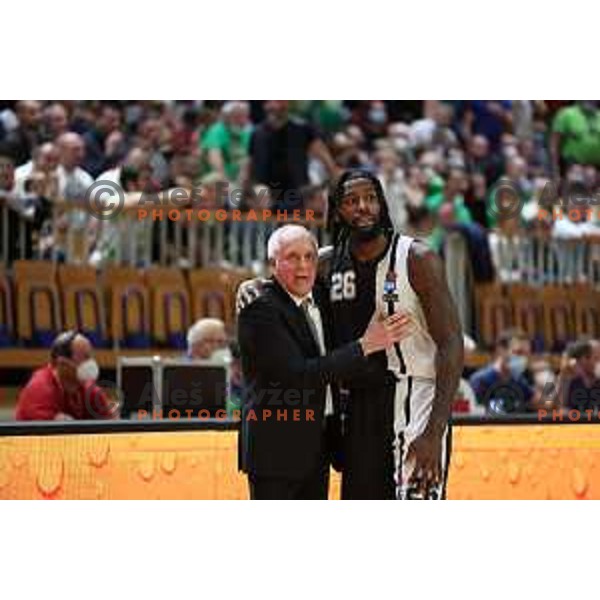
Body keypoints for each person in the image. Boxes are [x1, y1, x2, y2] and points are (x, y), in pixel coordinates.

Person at [237, 224, 411, 500]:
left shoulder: (320, 293)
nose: (303, 265)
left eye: (309, 257)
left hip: (318, 445)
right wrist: (366, 345)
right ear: (273, 263)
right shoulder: (259, 309)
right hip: (276, 451)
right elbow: (299, 375)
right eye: (292, 257)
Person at [324, 169, 463, 499]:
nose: (363, 207)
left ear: (383, 205)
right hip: (359, 406)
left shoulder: (417, 258)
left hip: (416, 394)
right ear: (337, 210)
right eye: (352, 201)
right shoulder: (325, 265)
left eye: (371, 198)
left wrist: (435, 431)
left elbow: (451, 342)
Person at [14, 331, 116, 421]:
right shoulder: (39, 388)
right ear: (63, 363)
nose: (91, 363)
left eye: (91, 357)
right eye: (85, 358)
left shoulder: (90, 390)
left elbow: (112, 426)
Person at [469, 329, 534, 413]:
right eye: (518, 352)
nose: (523, 359)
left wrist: (549, 383)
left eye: (526, 354)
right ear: (501, 350)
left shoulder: (519, 381)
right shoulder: (480, 381)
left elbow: (545, 405)